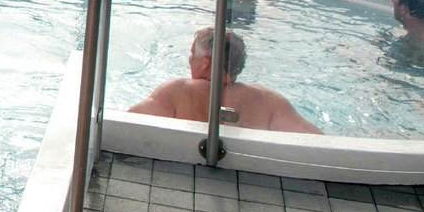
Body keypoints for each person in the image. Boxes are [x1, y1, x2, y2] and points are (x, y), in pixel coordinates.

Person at [128, 28, 321, 134]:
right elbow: (313, 138)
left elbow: (128, 120)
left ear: (205, 63)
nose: (189, 59)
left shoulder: (179, 91)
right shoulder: (268, 99)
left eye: (191, 54)